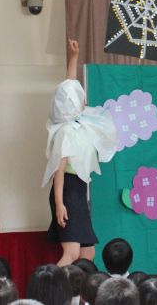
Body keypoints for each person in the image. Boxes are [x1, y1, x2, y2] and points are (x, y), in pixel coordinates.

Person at [43, 39, 118, 266]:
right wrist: (59, 204)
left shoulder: (78, 123)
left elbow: (69, 86)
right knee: (72, 253)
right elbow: (58, 171)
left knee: (88, 254)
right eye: (78, 98)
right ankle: (49, 285)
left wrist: (74, 56)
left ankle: (80, 289)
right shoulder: (65, 131)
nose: (82, 100)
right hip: (67, 190)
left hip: (77, 190)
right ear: (72, 105)